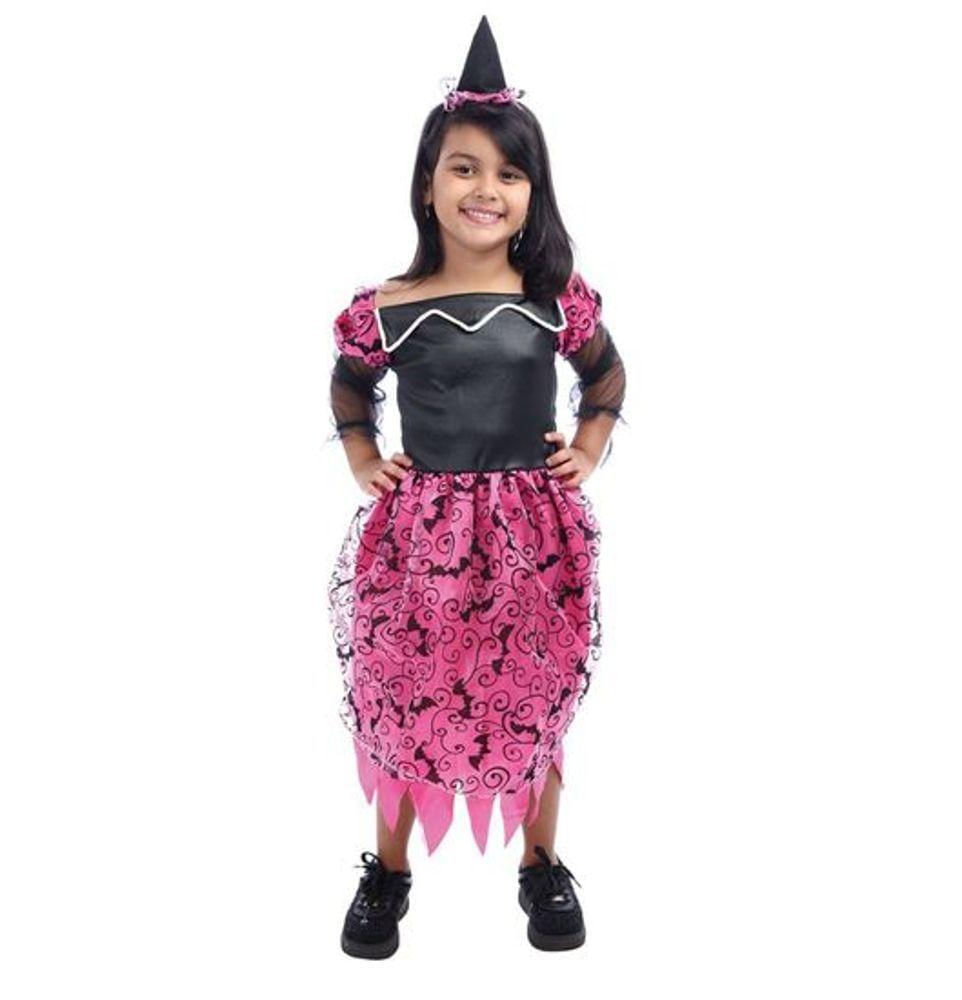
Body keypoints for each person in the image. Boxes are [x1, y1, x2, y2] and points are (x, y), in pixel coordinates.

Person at [327, 16, 627, 958]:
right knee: (403, 694)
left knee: (532, 694)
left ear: (533, 192)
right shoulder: (389, 309)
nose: (485, 189)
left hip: (532, 538)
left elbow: (606, 375)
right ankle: (389, 870)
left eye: (508, 173)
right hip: (421, 539)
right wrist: (361, 453)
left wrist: (588, 447)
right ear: (429, 183)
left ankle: (541, 862)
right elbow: (350, 381)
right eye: (464, 168)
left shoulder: (551, 299)